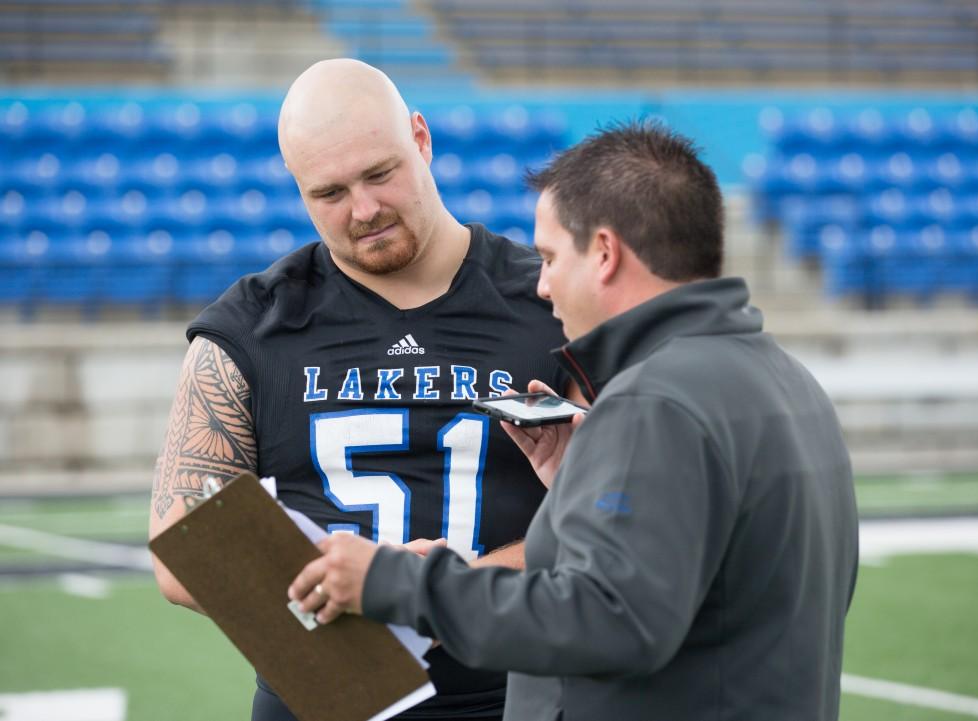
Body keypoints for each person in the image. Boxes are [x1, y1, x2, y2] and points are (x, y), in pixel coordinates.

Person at [288, 121, 860, 721]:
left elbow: (607, 620)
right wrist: (581, 492)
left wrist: (396, 583)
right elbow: (722, 592)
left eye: (550, 257)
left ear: (605, 254)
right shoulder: (789, 382)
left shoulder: (656, 402)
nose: (541, 285)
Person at [148, 58, 575, 721]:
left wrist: (427, 589)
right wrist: (357, 599)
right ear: (298, 189)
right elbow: (185, 551)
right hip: (323, 702)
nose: (365, 209)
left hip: (521, 697)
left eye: (381, 174)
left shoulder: (552, 303)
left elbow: (622, 523)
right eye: (331, 193)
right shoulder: (250, 327)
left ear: (422, 140)